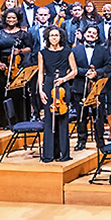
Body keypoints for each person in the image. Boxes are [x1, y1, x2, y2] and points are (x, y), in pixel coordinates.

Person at [37, 26, 77, 162]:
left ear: (61, 37)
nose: (54, 38)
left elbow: (74, 71)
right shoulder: (42, 53)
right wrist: (40, 90)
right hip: (48, 85)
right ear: (48, 37)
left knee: (62, 120)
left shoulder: (68, 52)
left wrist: (64, 79)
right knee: (49, 119)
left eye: (57, 35)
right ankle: (49, 154)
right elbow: (41, 72)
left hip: (63, 87)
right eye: (52, 35)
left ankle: (64, 153)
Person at [71, 25, 111, 151]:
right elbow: (72, 67)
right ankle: (81, 141)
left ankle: (100, 142)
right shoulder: (75, 50)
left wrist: (97, 73)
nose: (91, 35)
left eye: (94, 33)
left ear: (97, 36)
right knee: (81, 116)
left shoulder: (103, 50)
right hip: (79, 87)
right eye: (89, 32)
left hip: (97, 88)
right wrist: (85, 72)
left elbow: (109, 66)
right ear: (84, 34)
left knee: (98, 117)